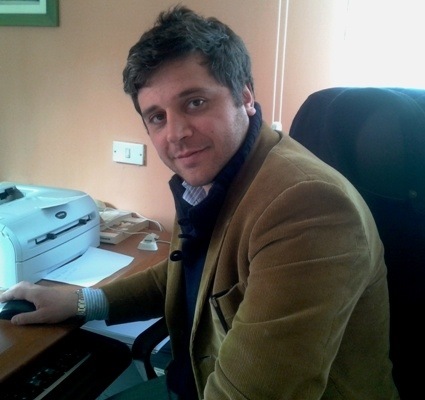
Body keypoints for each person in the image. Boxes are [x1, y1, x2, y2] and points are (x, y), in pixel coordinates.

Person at [0, 6, 400, 400]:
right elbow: (183, 273)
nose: (176, 133)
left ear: (245, 96)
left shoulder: (306, 206)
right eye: (157, 117)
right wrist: (80, 302)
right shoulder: (214, 178)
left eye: (195, 102)